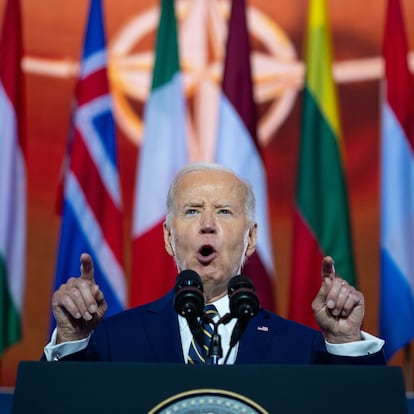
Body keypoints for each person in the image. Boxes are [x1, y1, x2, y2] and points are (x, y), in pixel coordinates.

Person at [44, 162, 384, 364]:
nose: (208, 223)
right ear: (167, 238)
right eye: (192, 210)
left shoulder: (299, 348)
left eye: (224, 211)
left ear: (250, 239)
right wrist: (72, 339)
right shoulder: (113, 341)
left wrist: (345, 341)